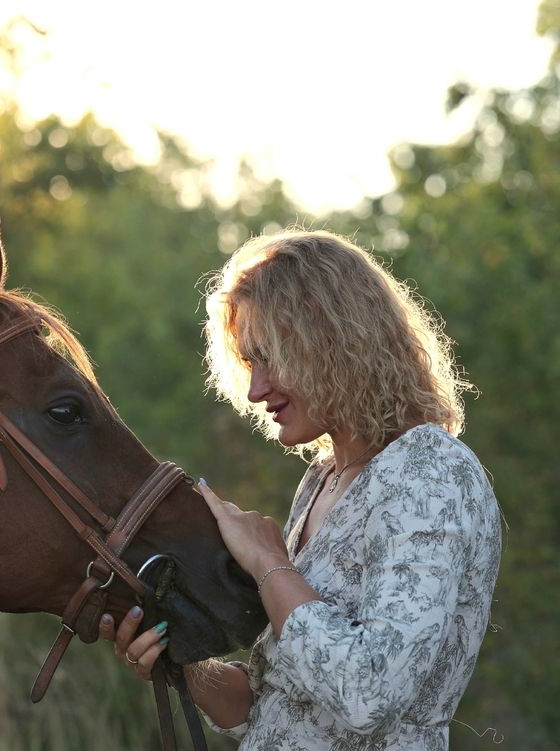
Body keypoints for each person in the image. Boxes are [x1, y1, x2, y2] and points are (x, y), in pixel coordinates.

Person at [99, 230, 502, 750]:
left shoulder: (431, 474)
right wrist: (182, 661)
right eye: (248, 362)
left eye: (269, 357)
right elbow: (272, 705)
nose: (255, 389)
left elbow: (368, 697)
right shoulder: (323, 477)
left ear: (335, 342)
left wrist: (269, 563)